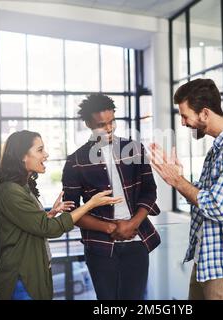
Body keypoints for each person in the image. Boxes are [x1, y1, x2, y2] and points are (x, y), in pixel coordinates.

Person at [149, 78, 223, 300]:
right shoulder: (219, 149)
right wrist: (180, 178)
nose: (183, 123)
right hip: (208, 260)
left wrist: (178, 181)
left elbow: (218, 207)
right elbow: (210, 199)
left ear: (204, 113)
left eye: (185, 116)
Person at [0, 130, 122, 300]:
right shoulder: (10, 191)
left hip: (31, 274)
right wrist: (90, 204)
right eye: (40, 150)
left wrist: (48, 215)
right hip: (21, 277)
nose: (45, 155)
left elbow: (30, 224)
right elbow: (49, 229)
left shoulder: (22, 187)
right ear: (22, 156)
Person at [62, 93, 160, 300]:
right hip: (99, 246)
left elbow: (149, 190)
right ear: (88, 123)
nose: (109, 128)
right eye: (101, 124)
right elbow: (72, 210)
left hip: (137, 241)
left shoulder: (134, 150)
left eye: (112, 121)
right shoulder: (75, 161)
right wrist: (110, 228)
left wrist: (132, 224)